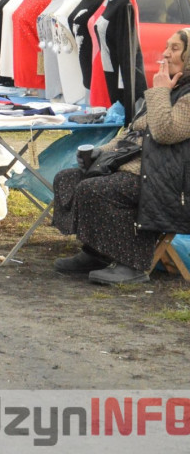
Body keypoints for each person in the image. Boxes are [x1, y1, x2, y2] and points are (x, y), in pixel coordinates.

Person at [52, 29, 190, 284]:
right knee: (68, 178)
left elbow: (164, 132)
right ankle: (97, 251)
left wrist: (160, 92)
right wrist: (100, 153)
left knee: (99, 189)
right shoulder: (170, 86)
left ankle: (133, 263)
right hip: (138, 167)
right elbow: (131, 133)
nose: (165, 54)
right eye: (166, 46)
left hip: (169, 181)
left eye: (174, 48)